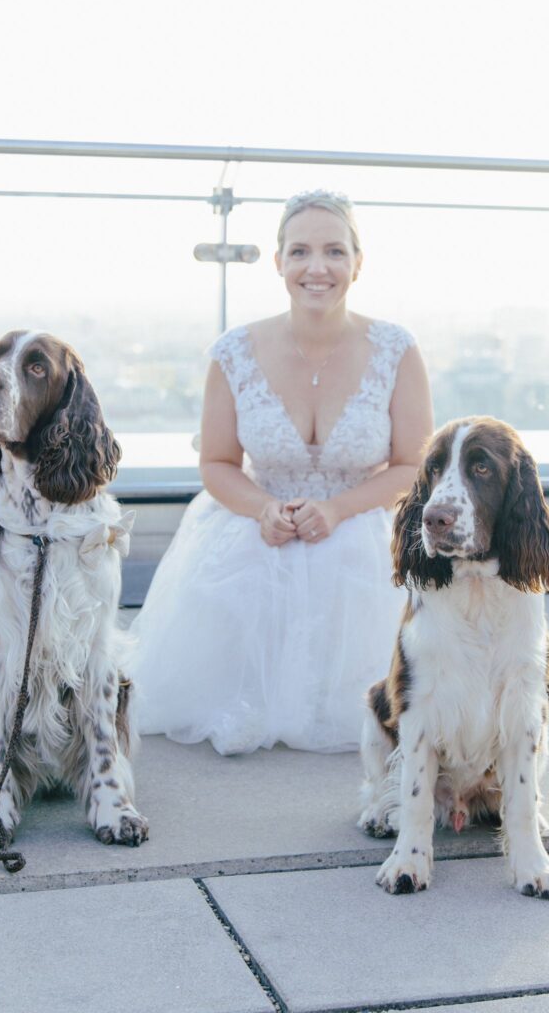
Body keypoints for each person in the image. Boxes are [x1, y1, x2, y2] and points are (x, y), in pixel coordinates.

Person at [126, 189, 433, 754]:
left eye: (335, 252)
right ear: (278, 263)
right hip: (254, 525)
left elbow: (415, 467)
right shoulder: (232, 352)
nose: (317, 268)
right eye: (300, 252)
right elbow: (217, 463)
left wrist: (338, 509)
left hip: (361, 525)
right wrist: (263, 509)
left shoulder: (397, 349)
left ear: (358, 263)